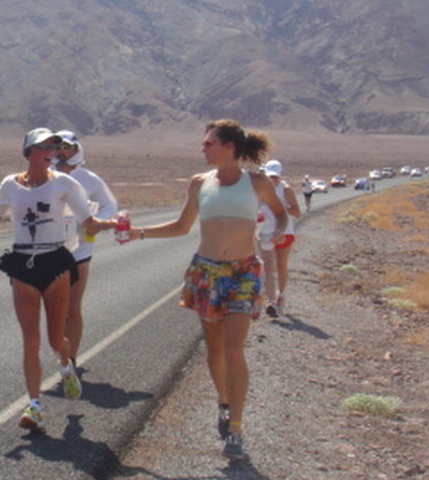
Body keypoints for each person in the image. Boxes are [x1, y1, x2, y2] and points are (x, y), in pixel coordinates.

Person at [125, 119, 288, 460]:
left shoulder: (257, 182)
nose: (203, 148)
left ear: (230, 147)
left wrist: (276, 232)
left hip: (243, 272)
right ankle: (224, 402)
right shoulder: (200, 183)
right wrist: (138, 233)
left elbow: (280, 213)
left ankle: (236, 429)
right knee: (214, 351)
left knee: (233, 350)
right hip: (207, 272)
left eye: (209, 143)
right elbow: (181, 226)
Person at [0, 128, 116, 433]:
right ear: (29, 151)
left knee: (54, 339)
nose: (52, 152)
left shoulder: (65, 183)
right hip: (23, 263)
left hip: (55, 262)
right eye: (45, 146)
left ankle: (65, 365)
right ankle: (35, 406)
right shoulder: (10, 184)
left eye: (55, 147)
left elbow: (89, 222)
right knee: (30, 340)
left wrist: (114, 224)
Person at [52, 130, 119, 368]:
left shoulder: (89, 179)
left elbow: (110, 205)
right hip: (48, 250)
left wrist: (96, 222)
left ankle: (69, 362)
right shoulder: (44, 175)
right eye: (57, 147)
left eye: (66, 147)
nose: (61, 152)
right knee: (53, 308)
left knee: (72, 305)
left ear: (76, 149)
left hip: (79, 249)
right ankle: (60, 350)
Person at [257, 159, 301, 317]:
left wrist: (281, 209)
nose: (273, 179)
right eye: (270, 176)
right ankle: (271, 301)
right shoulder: (260, 189)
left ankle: (280, 295)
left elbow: (297, 212)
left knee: (281, 266)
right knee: (268, 266)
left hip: (285, 233)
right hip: (265, 233)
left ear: (280, 175)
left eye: (275, 176)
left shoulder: (285, 189)